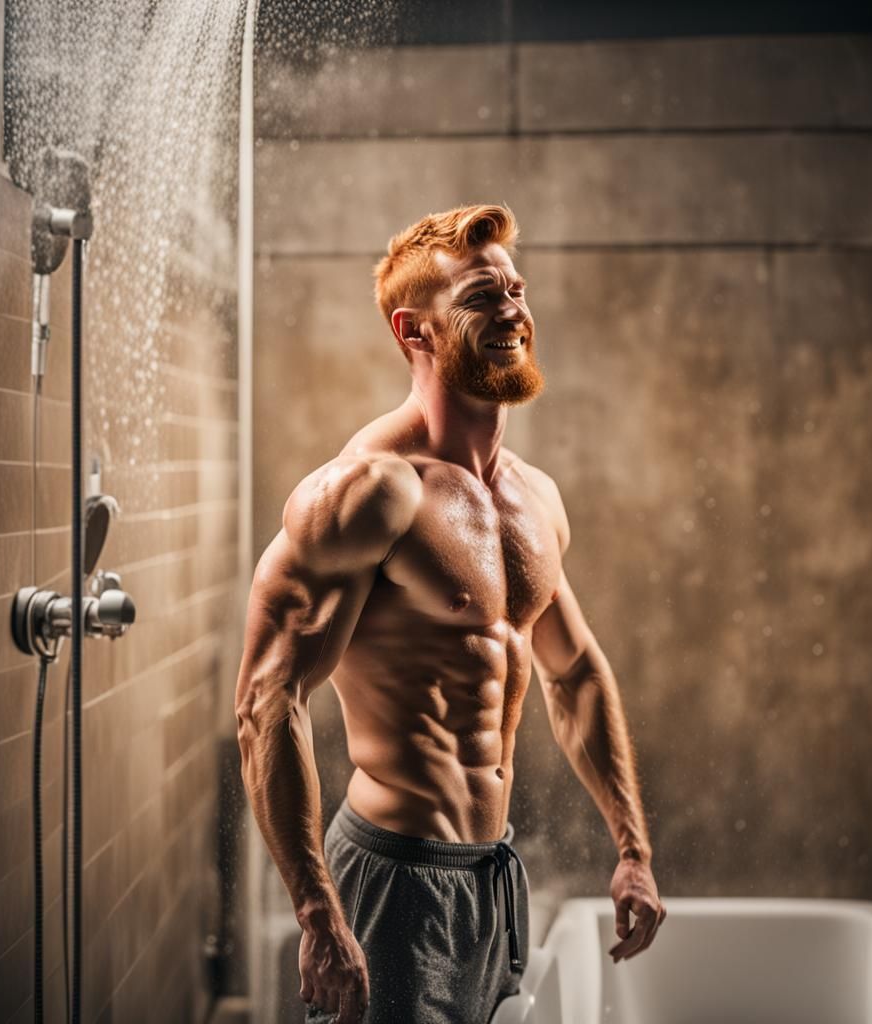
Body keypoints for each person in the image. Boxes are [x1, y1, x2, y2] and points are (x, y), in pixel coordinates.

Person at [235, 204, 666, 1024]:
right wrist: (318, 912)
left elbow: (572, 673)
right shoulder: (371, 494)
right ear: (416, 330)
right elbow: (265, 701)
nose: (512, 311)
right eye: (480, 298)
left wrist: (633, 851)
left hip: (492, 874)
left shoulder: (533, 499)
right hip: (392, 881)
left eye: (515, 289)